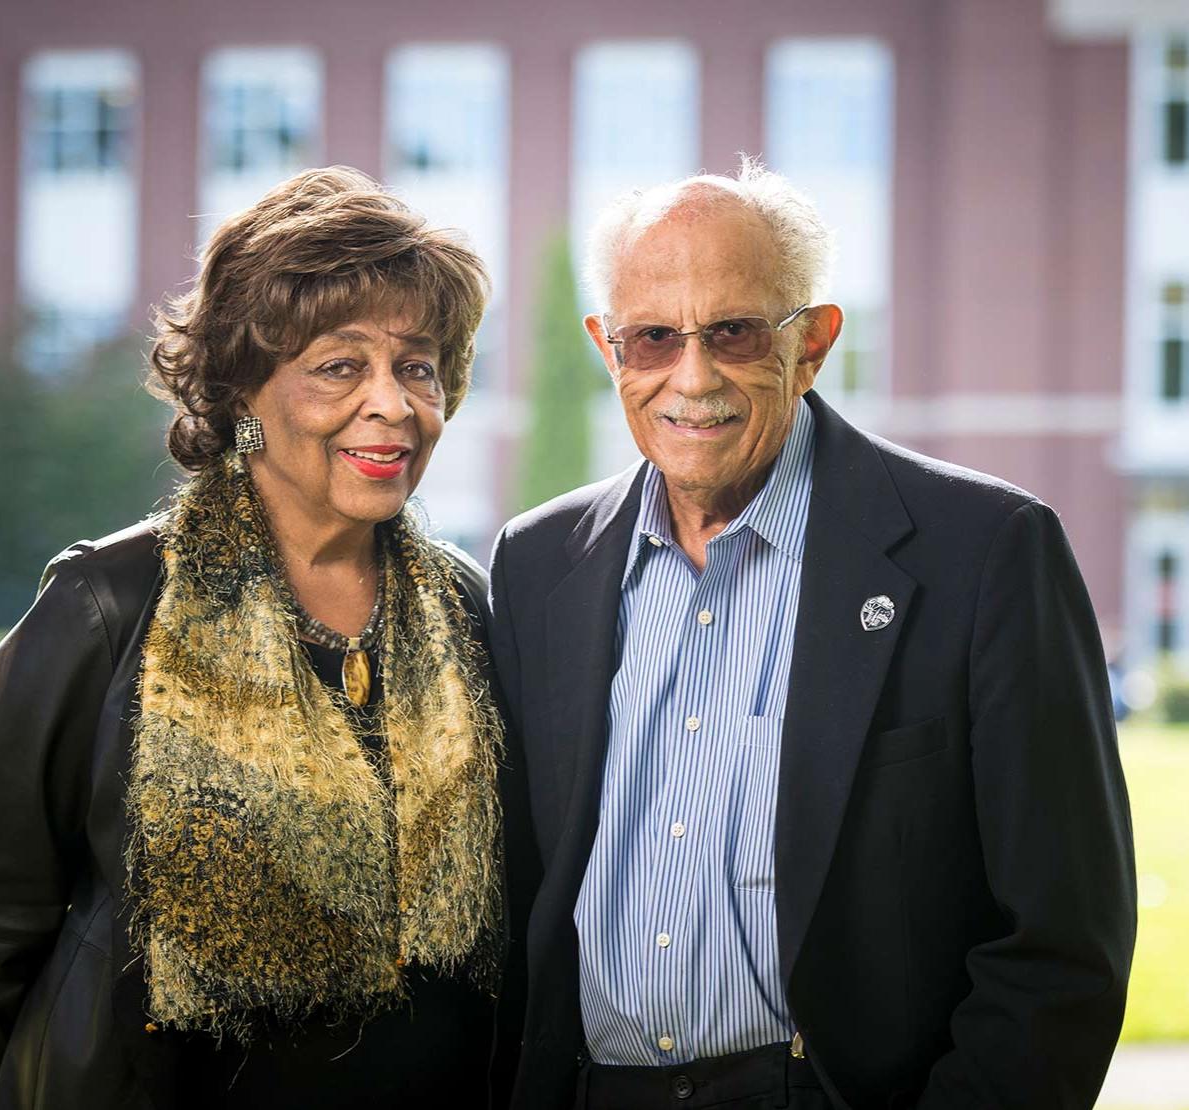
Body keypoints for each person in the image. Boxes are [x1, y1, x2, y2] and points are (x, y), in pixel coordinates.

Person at [486, 160, 1137, 1110]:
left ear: (815, 343)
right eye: (654, 338)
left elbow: (1062, 941)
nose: (692, 377)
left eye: (735, 332)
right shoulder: (538, 564)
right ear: (607, 347)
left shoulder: (987, 553)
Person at [0, 166, 512, 1109]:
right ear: (243, 392)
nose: (391, 403)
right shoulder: (109, 605)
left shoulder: (467, 606)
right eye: (340, 366)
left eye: (416, 365)